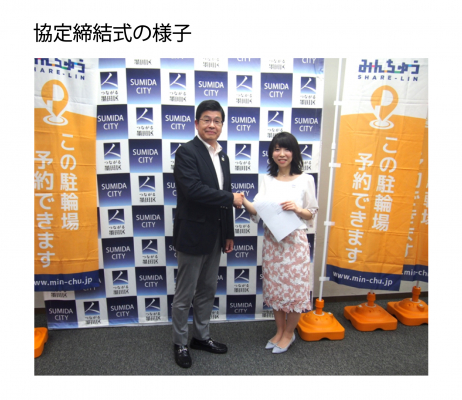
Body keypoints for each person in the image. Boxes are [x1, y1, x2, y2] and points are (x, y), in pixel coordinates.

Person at [171, 100, 244, 368]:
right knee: (185, 294)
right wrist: (231, 198)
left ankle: (201, 337)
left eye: (217, 120)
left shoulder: (222, 156)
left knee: (207, 290)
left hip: (216, 235)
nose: (212, 125)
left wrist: (229, 233)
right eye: (206, 119)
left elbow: (225, 197)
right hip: (192, 234)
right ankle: (180, 342)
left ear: (222, 125)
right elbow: (193, 191)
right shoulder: (186, 152)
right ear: (196, 123)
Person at [241, 132, 318, 354]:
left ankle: (289, 333)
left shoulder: (306, 179)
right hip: (273, 241)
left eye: (286, 149)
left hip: (295, 242)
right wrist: (243, 200)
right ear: (271, 154)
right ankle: (279, 331)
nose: (281, 154)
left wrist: (297, 209)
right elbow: (257, 210)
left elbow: (311, 213)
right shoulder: (267, 180)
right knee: (275, 287)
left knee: (295, 289)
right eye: (276, 149)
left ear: (294, 153)